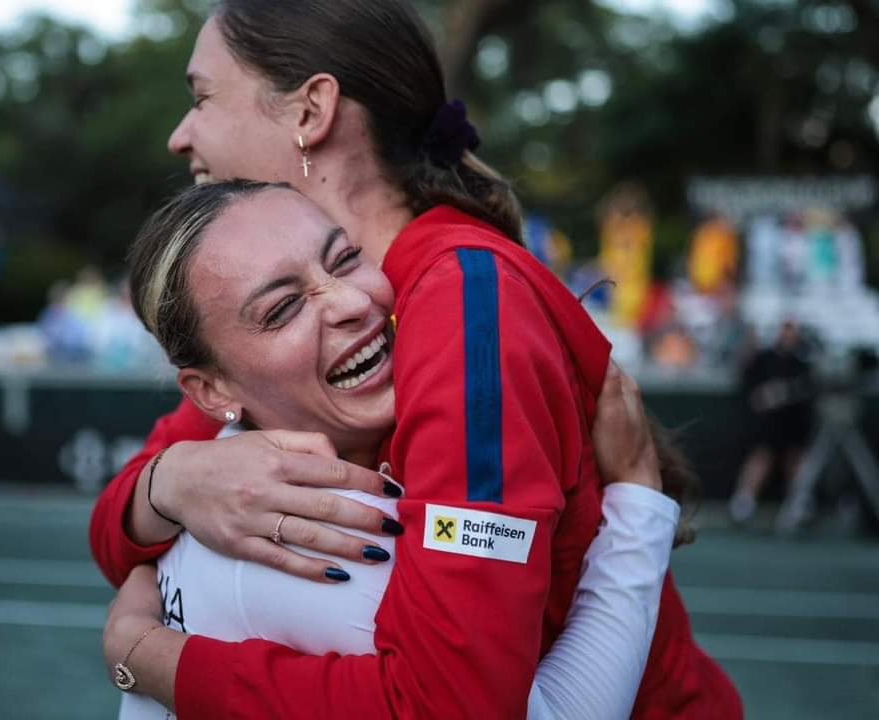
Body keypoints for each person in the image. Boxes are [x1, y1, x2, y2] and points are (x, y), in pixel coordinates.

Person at [90, 1, 741, 717]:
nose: (181, 136)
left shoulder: (460, 298)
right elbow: (114, 531)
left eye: (202, 97)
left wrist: (145, 656)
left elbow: (454, 705)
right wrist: (171, 483)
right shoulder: (297, 319)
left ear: (310, 110)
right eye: (282, 306)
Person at [111, 180, 681, 719]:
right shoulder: (330, 537)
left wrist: (160, 501)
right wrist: (638, 501)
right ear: (212, 392)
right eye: (282, 309)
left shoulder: (213, 468)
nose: (351, 301)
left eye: (344, 258)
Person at [729, 319, 816, 524]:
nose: (788, 335)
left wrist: (785, 394)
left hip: (793, 423)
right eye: (785, 329)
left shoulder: (801, 363)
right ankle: (743, 502)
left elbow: (807, 390)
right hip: (767, 425)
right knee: (761, 457)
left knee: (794, 459)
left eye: (792, 330)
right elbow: (751, 390)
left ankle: (800, 501)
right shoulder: (762, 360)